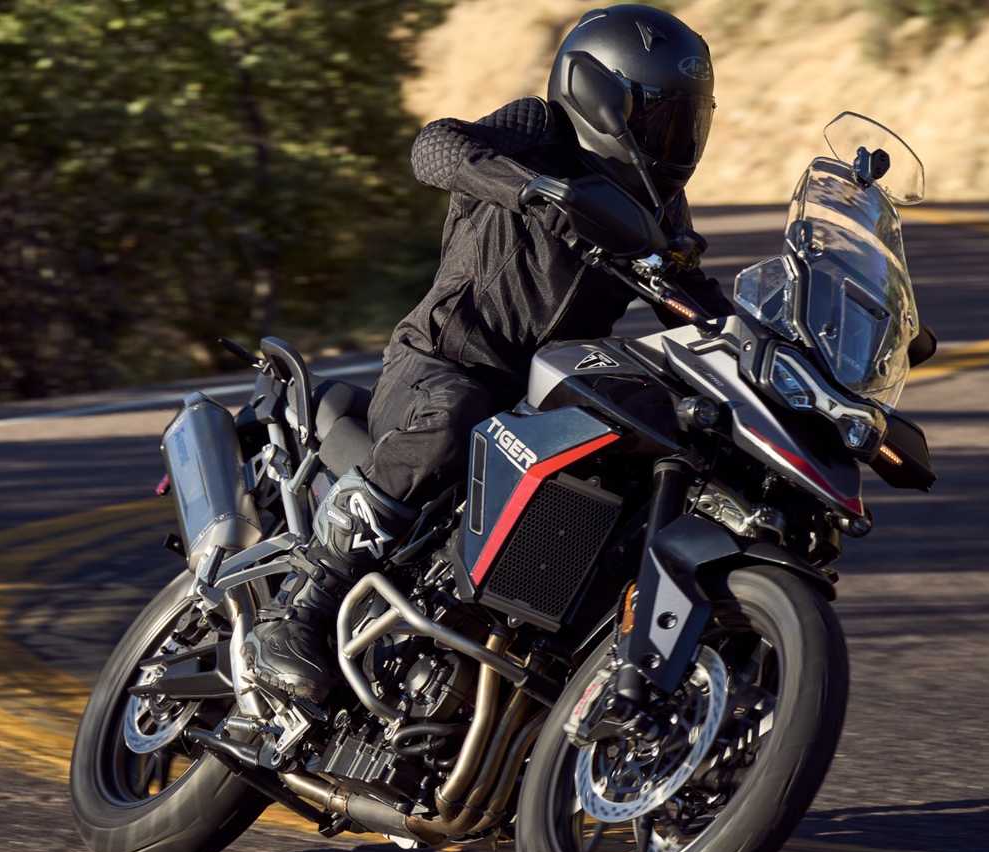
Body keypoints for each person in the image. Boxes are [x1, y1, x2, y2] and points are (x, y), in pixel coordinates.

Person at [251, 4, 734, 699]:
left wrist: (762, 346)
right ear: (603, 98)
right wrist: (529, 188)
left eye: (685, 120)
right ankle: (303, 608)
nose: (674, 137)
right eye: (659, 117)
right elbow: (435, 149)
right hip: (441, 364)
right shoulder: (539, 130)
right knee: (452, 416)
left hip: (538, 403)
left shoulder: (659, 210)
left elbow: (695, 301)